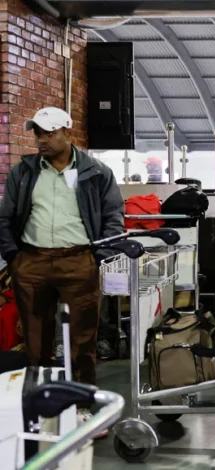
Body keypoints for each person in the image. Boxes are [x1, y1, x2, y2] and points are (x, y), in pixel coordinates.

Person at [0, 107, 125, 430]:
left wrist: (98, 255)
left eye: (49, 133)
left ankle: (83, 406)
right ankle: (39, 410)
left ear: (68, 133)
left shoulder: (96, 171)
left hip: (78, 261)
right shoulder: (24, 171)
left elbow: (114, 215)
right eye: (37, 133)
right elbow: (5, 216)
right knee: (35, 342)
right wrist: (14, 255)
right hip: (32, 261)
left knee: (82, 341)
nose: (41, 139)